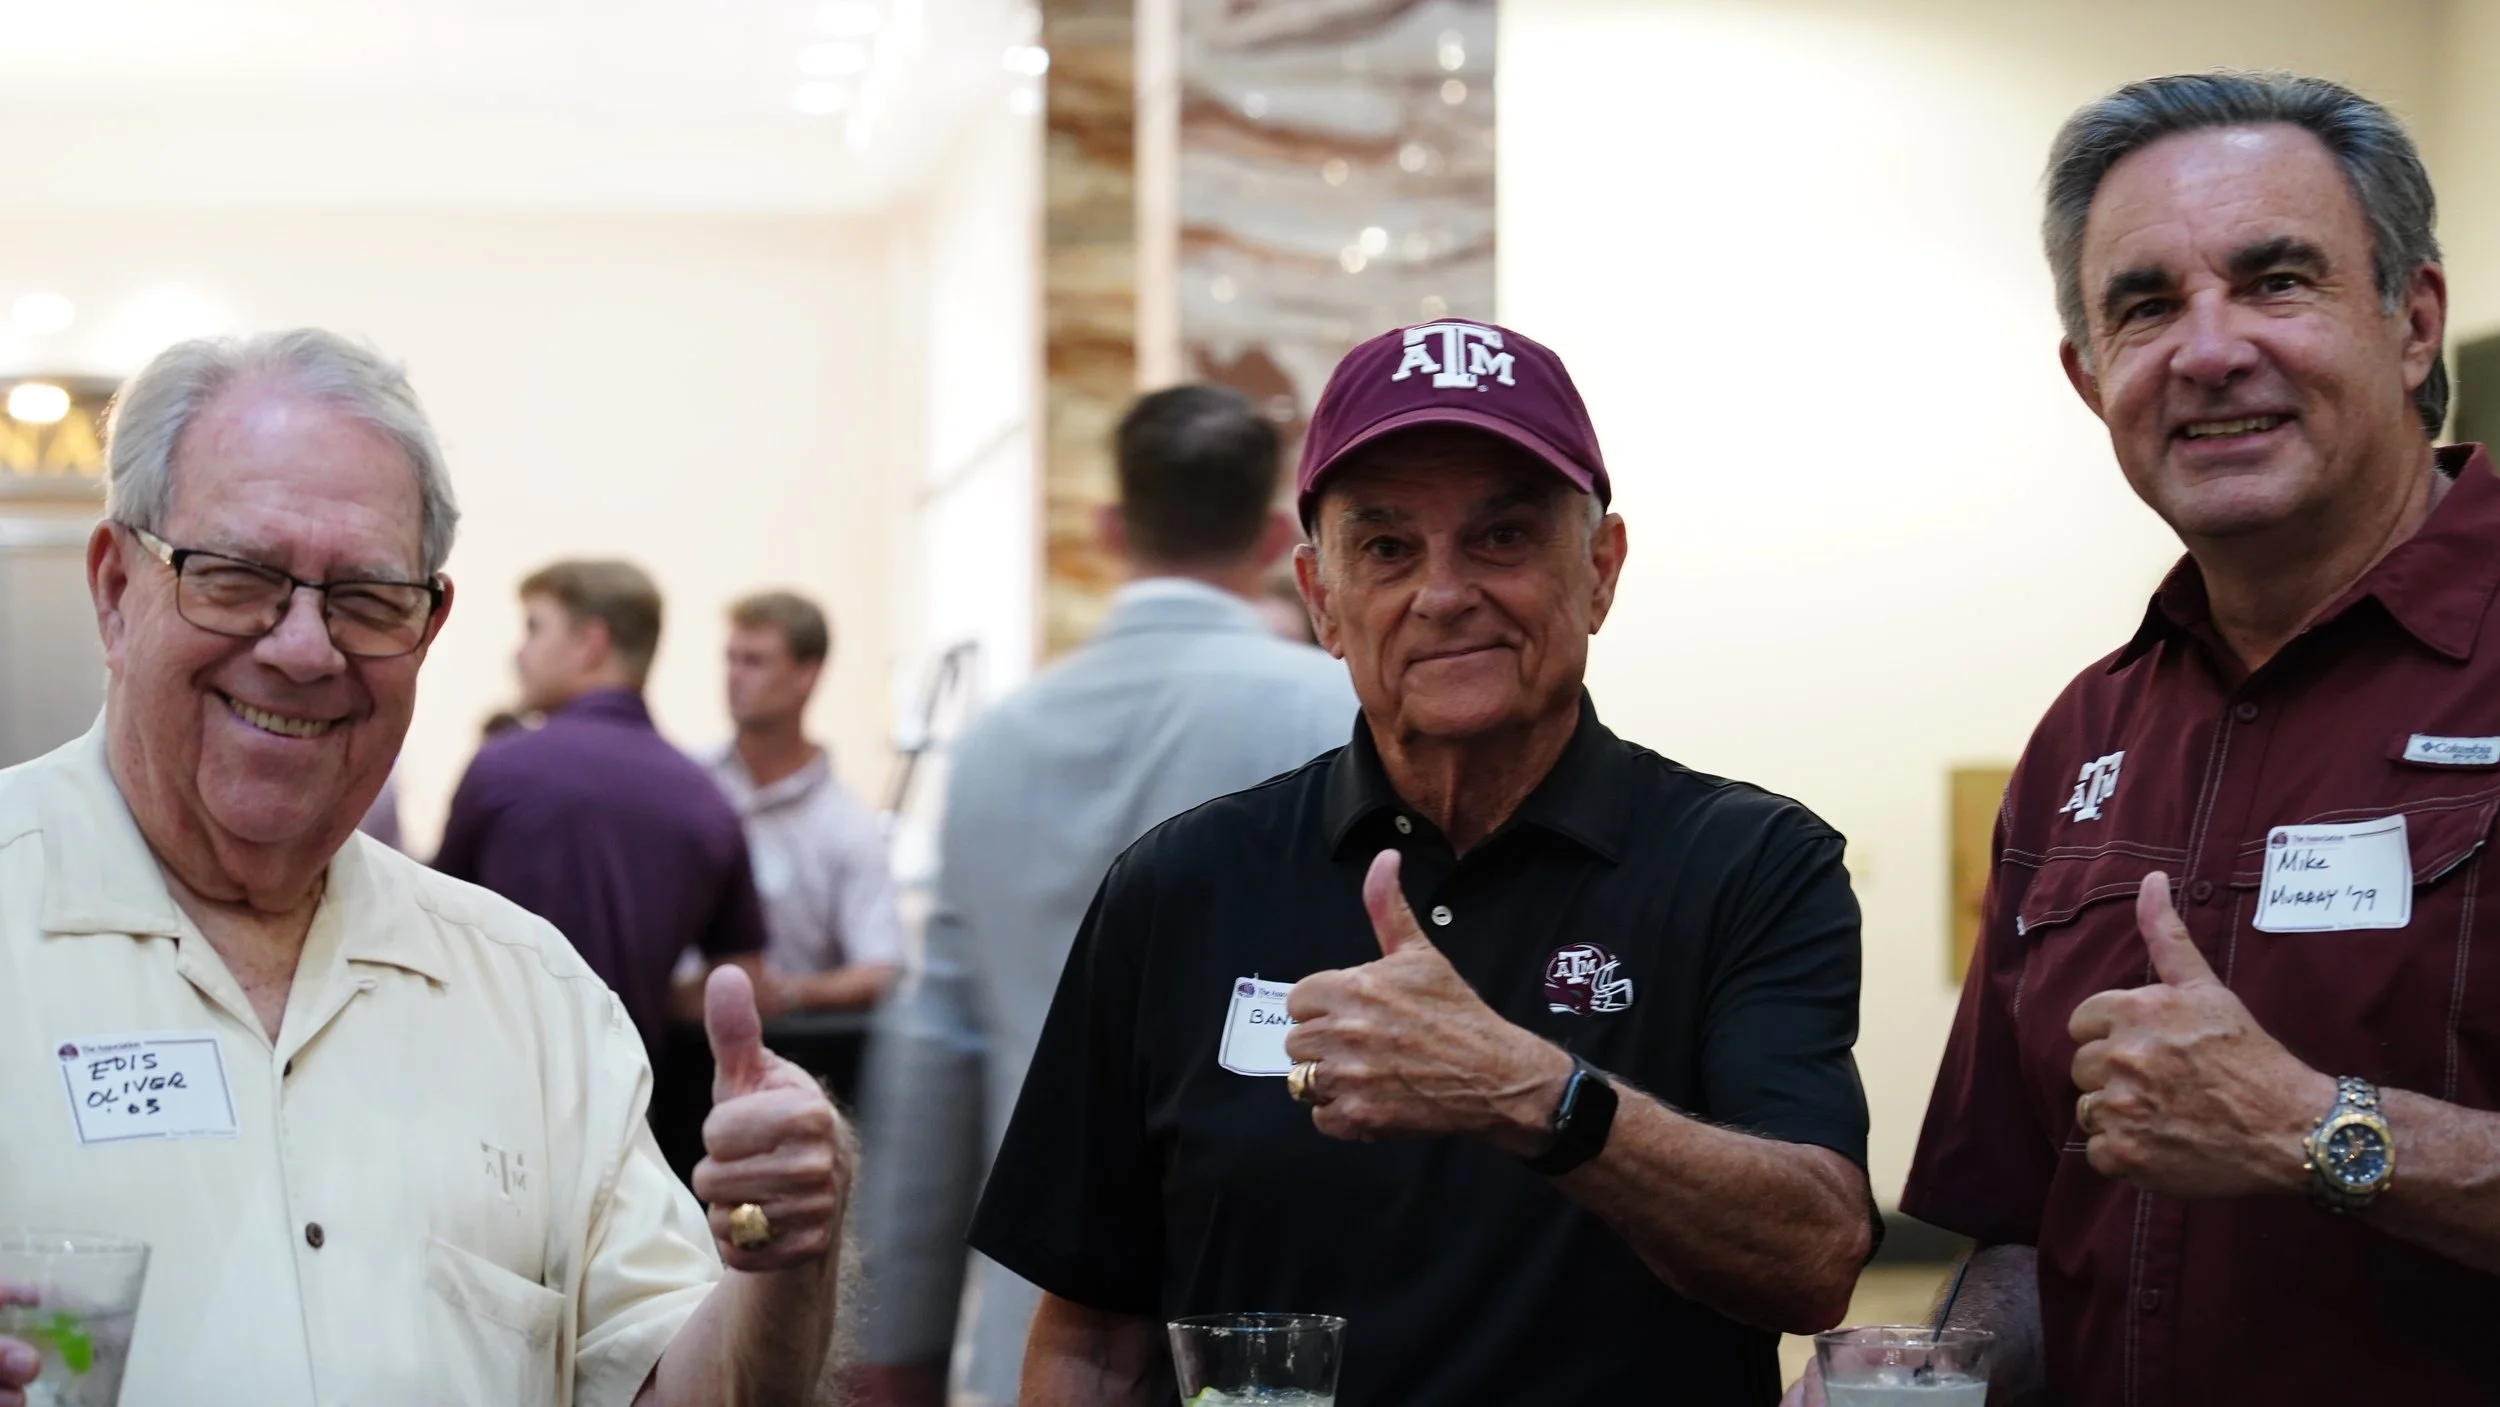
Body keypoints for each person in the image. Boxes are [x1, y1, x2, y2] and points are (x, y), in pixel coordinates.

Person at [967, 326, 1875, 1406]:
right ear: (1320, 598)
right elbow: (1090, 1337)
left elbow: (1813, 1257)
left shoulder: (1752, 866)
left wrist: (1528, 1090)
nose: (1443, 594)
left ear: (1600, 570)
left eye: (1500, 537)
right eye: (1388, 549)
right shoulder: (1179, 885)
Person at [0, 329, 849, 1407]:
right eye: (237, 576)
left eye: (365, 598)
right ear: (117, 588)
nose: (303, 649)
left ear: (430, 624)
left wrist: (783, 1271)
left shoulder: (530, 996)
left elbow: (666, 1385)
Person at [1893, 72, 2500, 1406]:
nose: (2209, 349)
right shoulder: (2084, 736)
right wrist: (1934, 1373)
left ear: (2415, 322)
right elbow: (2018, 1223)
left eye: (2277, 280)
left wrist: (2316, 1128)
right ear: (2088, 374)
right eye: (2147, 304)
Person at [848, 385, 1357, 1407]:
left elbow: (935, 1057)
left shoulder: (996, 746)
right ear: (1272, 536)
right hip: (1285, 1342)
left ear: (1111, 528)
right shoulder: (1334, 715)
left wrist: (895, 1336)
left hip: (1041, 1336)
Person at [435, 559, 772, 1060]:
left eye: (534, 628)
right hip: (633, 1108)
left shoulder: (501, 769)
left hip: (488, 1085)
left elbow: (430, 926)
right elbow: (744, 976)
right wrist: (640, 1002)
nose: (519, 654)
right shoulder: (708, 800)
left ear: (591, 643)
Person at [695, 590, 902, 1014]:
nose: (734, 676)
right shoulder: (691, 786)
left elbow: (882, 968)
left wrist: (786, 994)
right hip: (671, 1047)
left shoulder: (847, 825)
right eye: (730, 659)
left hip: (792, 1051)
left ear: (806, 674)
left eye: (754, 661)